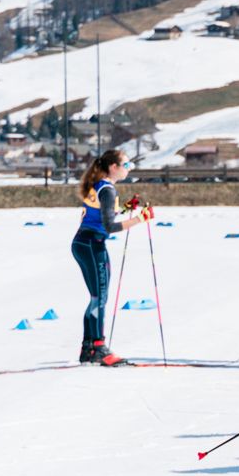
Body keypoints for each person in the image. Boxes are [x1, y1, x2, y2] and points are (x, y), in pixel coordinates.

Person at [71, 149, 148, 367]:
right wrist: (139, 219)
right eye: (126, 165)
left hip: (83, 243)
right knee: (99, 298)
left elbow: (104, 216)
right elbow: (109, 226)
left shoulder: (101, 185)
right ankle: (98, 347)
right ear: (113, 167)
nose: (128, 168)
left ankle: (88, 348)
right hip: (92, 244)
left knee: (96, 297)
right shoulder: (108, 189)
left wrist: (126, 209)